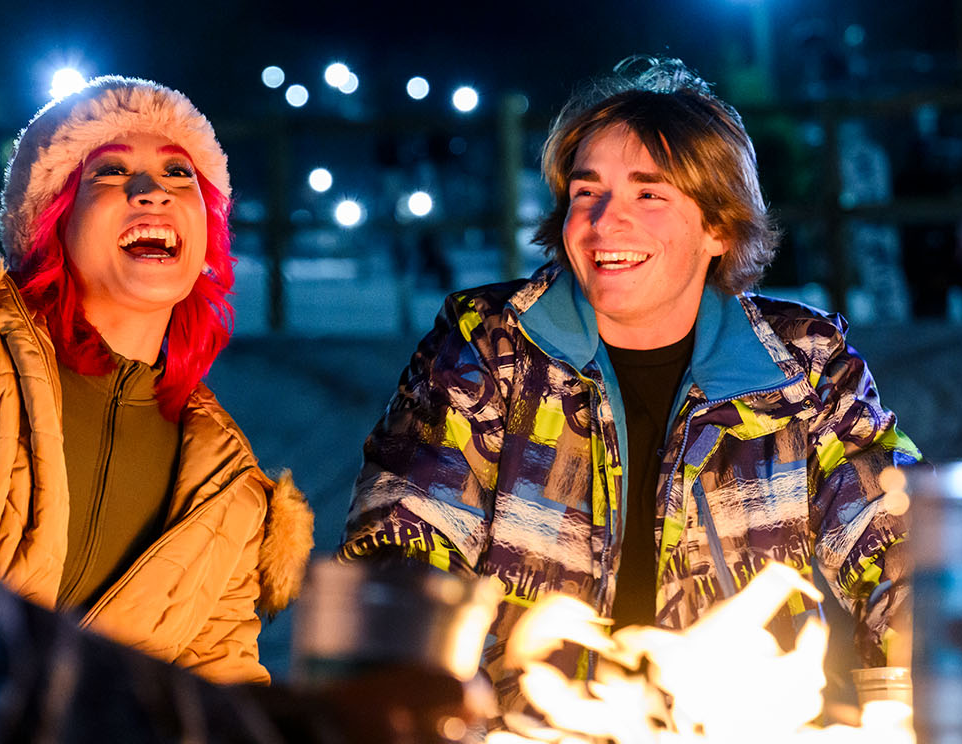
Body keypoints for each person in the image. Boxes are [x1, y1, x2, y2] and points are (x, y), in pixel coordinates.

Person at [340, 57, 919, 714]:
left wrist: (918, 666)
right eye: (587, 192)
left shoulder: (802, 366)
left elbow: (900, 543)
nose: (605, 220)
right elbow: (405, 538)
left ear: (718, 227)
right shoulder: (492, 347)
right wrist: (434, 690)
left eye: (649, 195)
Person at [0, 77, 313, 685]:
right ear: (53, 221)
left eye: (180, 174)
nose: (153, 191)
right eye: (111, 172)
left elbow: (223, 695)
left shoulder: (227, 484)